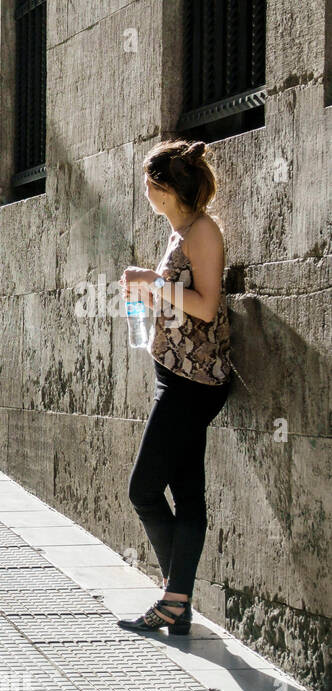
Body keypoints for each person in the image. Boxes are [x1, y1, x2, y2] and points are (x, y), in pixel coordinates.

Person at [117, 140, 232, 637]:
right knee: (187, 492)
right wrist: (147, 288)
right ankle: (176, 601)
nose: (145, 189)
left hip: (195, 381)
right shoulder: (179, 232)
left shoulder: (203, 231)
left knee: (143, 489)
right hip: (177, 375)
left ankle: (175, 595)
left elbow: (206, 305)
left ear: (165, 186)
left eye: (149, 180)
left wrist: (149, 280)